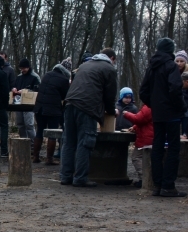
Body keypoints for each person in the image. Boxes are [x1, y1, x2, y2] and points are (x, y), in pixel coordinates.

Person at [60, 48, 118, 187]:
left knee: (69, 142)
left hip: (69, 103)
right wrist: (111, 111)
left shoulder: (85, 65)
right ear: (112, 58)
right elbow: (110, 95)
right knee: (85, 143)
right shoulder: (109, 69)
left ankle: (65, 176)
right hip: (87, 107)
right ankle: (80, 178)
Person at [140, 37, 186, 197]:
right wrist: (179, 106)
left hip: (158, 114)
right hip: (171, 113)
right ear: (170, 50)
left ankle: (157, 185)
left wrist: (154, 104)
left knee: (157, 147)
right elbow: (175, 88)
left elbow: (143, 91)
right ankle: (168, 185)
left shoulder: (151, 67)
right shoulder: (170, 66)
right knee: (173, 148)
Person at [32, 62, 71, 164]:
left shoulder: (47, 74)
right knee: (52, 133)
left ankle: (35, 157)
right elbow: (65, 96)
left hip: (39, 107)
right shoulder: (64, 80)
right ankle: (49, 159)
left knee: (39, 131)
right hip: (53, 109)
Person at [122, 103, 153, 188]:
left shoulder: (148, 107)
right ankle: (146, 178)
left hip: (146, 137)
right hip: (149, 136)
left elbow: (139, 119)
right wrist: (135, 127)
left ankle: (144, 179)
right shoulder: (152, 105)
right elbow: (144, 121)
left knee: (136, 157)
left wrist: (126, 114)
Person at [13, 58, 40, 141]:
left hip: (29, 104)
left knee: (29, 125)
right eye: (21, 68)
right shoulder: (19, 77)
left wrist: (25, 91)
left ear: (28, 67)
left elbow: (38, 91)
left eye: (24, 68)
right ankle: (23, 142)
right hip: (19, 103)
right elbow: (15, 85)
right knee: (20, 124)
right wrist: (14, 89)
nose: (22, 70)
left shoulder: (35, 77)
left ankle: (32, 143)